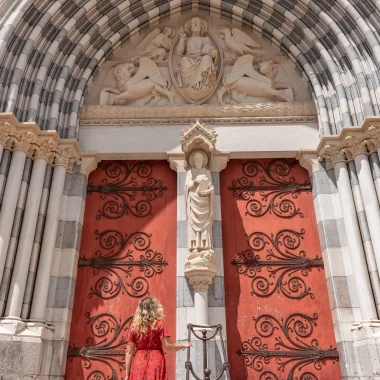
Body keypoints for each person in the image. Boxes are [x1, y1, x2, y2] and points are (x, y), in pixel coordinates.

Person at [125, 297, 192, 380]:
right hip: (156, 362)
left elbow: (129, 352)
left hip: (138, 362)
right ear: (155, 309)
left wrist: (127, 375)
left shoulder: (134, 327)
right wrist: (183, 345)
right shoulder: (160, 325)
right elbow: (168, 346)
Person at [176, 17, 217, 90]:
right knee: (184, 60)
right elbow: (180, 51)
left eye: (197, 23)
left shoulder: (205, 39)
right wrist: (182, 38)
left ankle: (205, 83)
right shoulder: (187, 40)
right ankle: (189, 84)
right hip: (189, 59)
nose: (195, 24)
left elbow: (211, 51)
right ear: (190, 27)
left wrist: (213, 53)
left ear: (201, 27)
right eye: (193, 23)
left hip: (202, 59)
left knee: (207, 58)